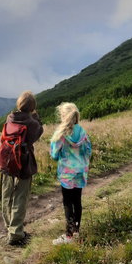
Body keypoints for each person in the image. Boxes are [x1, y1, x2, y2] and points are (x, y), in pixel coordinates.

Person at [1, 91, 43, 247]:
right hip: (24, 164)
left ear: (19, 104)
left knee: (7, 195)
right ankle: (16, 234)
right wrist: (36, 118)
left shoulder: (10, 118)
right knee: (20, 197)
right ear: (32, 107)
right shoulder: (32, 123)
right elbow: (37, 134)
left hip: (7, 162)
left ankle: (9, 226)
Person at [50, 102, 91, 245]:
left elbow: (54, 155)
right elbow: (88, 151)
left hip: (67, 175)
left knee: (68, 203)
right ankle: (76, 232)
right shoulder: (83, 132)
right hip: (80, 172)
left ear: (63, 116)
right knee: (77, 202)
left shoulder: (60, 134)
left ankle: (68, 236)